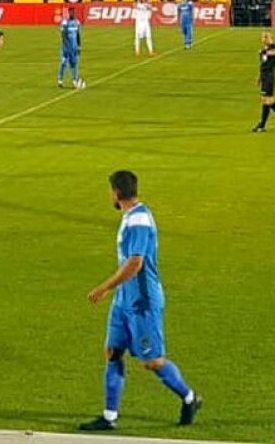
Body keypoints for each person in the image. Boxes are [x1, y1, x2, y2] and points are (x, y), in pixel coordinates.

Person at [79, 170, 202, 431]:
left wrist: (104, 288)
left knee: (152, 361)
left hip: (142, 303)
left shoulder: (139, 221)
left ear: (115, 193)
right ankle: (109, 417)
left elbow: (136, 263)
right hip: (125, 300)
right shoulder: (131, 216)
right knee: (113, 352)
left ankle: (190, 398)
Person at [58, 8, 84, 89]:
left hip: (74, 47)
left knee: (74, 64)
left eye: (73, 12)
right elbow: (63, 35)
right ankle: (60, 80)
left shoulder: (77, 22)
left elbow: (78, 35)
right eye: (70, 12)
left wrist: (79, 46)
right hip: (66, 48)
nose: (72, 14)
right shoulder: (65, 22)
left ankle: (74, 81)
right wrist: (66, 46)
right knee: (63, 63)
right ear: (68, 13)